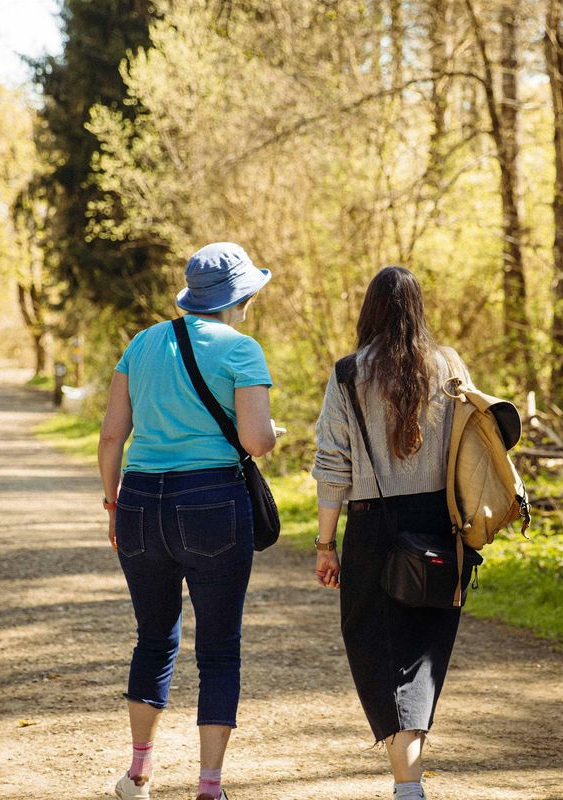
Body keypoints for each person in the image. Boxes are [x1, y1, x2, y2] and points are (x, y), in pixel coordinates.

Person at [98, 242, 278, 800]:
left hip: (139, 501)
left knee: (153, 638)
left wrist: (113, 505)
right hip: (211, 502)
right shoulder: (242, 349)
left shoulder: (142, 343)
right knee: (219, 647)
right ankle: (208, 786)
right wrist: (274, 437)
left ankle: (138, 774)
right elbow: (255, 441)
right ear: (241, 295)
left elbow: (111, 437)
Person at [310, 266, 470, 800]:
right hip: (440, 526)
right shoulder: (448, 366)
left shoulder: (350, 373)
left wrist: (326, 545)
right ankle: (410, 779)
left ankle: (408, 784)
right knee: (425, 647)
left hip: (373, 527)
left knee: (375, 645)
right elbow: (473, 448)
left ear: (370, 310)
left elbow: (333, 464)